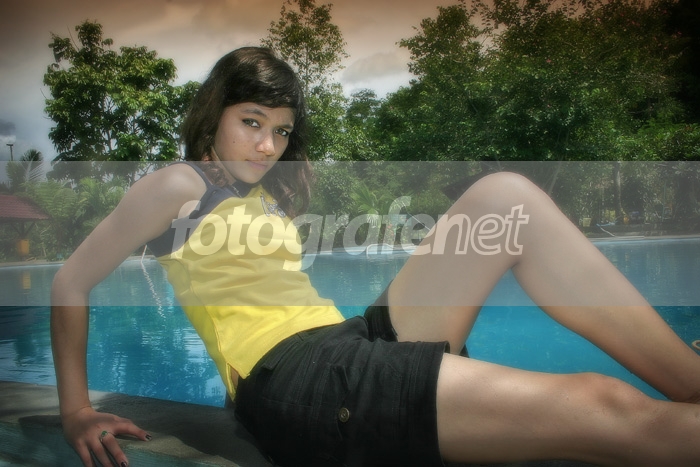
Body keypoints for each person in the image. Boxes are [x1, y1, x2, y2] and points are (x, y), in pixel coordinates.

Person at [51, 47, 700, 467]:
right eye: (251, 121)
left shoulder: (258, 196)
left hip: (344, 344)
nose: (268, 145)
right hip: (297, 381)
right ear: (215, 113)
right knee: (604, 403)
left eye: (280, 130)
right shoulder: (178, 184)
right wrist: (77, 410)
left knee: (506, 199)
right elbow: (71, 282)